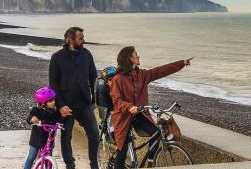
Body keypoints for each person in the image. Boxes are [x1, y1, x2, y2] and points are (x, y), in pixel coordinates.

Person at [109, 46, 193, 169]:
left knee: (156, 134)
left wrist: (181, 63)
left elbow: (160, 71)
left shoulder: (142, 74)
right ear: (130, 59)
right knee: (122, 152)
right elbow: (117, 101)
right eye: (136, 54)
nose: (138, 56)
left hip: (139, 115)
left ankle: (150, 162)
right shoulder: (118, 79)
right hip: (123, 117)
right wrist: (129, 107)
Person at [48, 26, 99, 169]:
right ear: (69, 39)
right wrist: (61, 105)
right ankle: (70, 166)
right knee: (66, 138)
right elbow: (53, 83)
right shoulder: (57, 57)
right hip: (66, 105)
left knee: (94, 135)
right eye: (80, 38)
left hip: (84, 104)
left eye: (83, 37)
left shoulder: (87, 54)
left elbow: (93, 77)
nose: (83, 40)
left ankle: (94, 165)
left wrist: (94, 100)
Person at [24, 87, 65, 169]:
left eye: (54, 100)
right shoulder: (36, 110)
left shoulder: (55, 112)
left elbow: (60, 119)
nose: (53, 102)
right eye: (50, 101)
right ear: (43, 103)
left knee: (49, 157)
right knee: (31, 156)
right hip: (37, 138)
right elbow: (29, 118)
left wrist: (63, 118)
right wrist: (32, 119)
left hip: (49, 139)